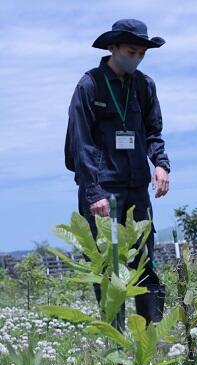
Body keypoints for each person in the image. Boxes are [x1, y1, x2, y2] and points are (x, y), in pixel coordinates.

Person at [65, 19, 170, 324]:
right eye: (130, 51)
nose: (136, 57)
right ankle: (118, 346)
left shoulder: (144, 86)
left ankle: (150, 342)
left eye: (141, 53)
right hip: (103, 192)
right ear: (112, 47)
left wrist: (161, 164)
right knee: (109, 268)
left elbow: (154, 131)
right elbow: (79, 143)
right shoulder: (90, 85)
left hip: (137, 187)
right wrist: (93, 191)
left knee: (143, 264)